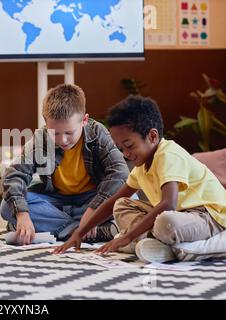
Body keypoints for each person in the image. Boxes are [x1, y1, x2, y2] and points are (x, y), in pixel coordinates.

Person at [54, 95, 226, 263]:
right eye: (120, 148)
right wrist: (80, 232)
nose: (125, 154)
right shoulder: (141, 166)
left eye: (129, 146)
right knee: (122, 205)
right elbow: (113, 202)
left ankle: (189, 248)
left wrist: (127, 237)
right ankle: (157, 244)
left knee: (165, 222)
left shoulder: (169, 155)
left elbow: (168, 204)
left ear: (152, 136)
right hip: (179, 216)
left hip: (209, 216)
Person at [1, 84, 129, 245]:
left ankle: (55, 227)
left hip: (92, 199)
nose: (62, 140)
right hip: (56, 201)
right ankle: (83, 230)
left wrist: (93, 210)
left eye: (69, 133)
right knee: (7, 206)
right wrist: (22, 214)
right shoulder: (41, 138)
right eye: (55, 133)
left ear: (84, 120)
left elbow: (120, 173)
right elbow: (14, 176)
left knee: (129, 198)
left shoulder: (97, 133)